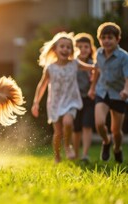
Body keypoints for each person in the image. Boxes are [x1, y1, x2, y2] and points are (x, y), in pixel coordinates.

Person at [31, 32, 95, 163]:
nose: (65, 49)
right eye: (62, 46)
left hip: (70, 101)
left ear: (72, 50)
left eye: (68, 47)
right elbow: (42, 85)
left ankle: (67, 146)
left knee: (68, 122)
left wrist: (97, 69)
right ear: (55, 49)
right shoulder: (50, 68)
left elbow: (92, 68)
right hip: (55, 103)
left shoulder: (74, 64)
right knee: (57, 134)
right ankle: (57, 156)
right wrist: (36, 102)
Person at [88, 22, 128, 164]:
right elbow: (96, 70)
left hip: (118, 94)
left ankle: (117, 149)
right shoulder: (99, 53)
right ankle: (106, 141)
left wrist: (126, 90)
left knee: (116, 131)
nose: (106, 41)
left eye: (110, 37)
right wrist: (92, 87)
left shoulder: (123, 56)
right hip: (102, 92)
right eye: (103, 38)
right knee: (99, 123)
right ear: (99, 39)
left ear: (117, 39)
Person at [72, 33, 97, 163]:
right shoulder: (72, 64)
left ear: (90, 48)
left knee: (87, 126)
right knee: (76, 129)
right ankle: (75, 153)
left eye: (86, 46)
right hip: (74, 100)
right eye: (79, 46)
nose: (83, 49)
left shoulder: (93, 65)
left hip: (89, 99)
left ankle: (85, 154)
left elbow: (98, 79)